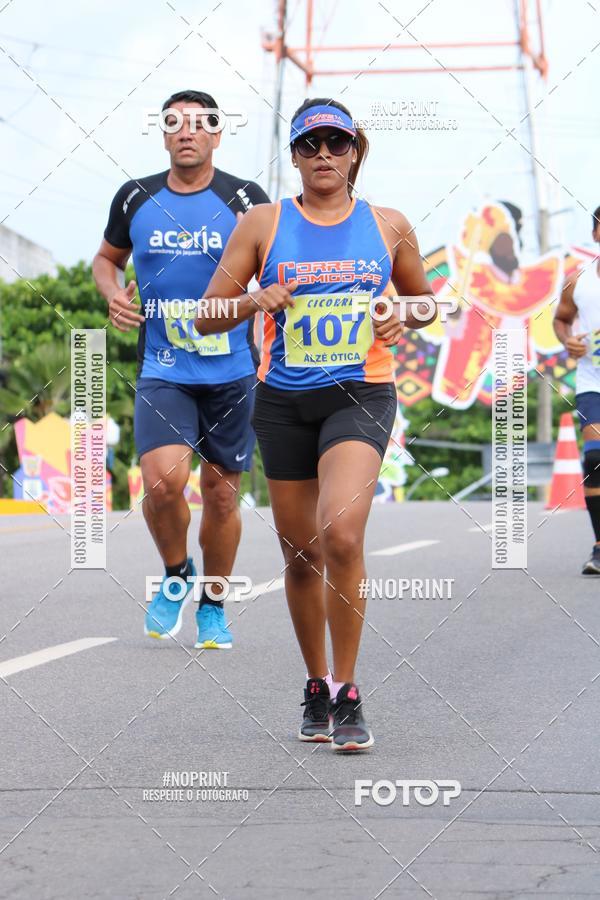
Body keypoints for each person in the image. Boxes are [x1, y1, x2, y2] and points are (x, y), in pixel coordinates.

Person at [195, 98, 436, 750]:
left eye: (335, 143)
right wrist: (253, 299)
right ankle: (315, 682)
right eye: (309, 145)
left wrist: (401, 316)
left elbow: (426, 302)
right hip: (282, 402)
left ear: (355, 149)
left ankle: (348, 689)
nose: (323, 155)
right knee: (300, 554)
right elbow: (206, 315)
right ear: (294, 156)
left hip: (361, 394)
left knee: (340, 533)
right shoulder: (263, 224)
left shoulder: (388, 225)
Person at [92, 90, 270, 647]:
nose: (186, 132)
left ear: (217, 135)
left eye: (198, 124)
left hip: (233, 369)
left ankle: (213, 604)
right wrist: (111, 294)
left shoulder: (246, 198)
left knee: (220, 495)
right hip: (164, 368)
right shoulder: (135, 197)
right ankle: (176, 574)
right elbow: (105, 260)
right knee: (163, 482)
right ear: (164, 134)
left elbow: (276, 266)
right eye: (174, 123)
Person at [554, 205, 600, 575]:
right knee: (594, 459)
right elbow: (561, 319)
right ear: (596, 234)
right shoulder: (578, 281)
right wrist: (568, 341)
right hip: (593, 384)